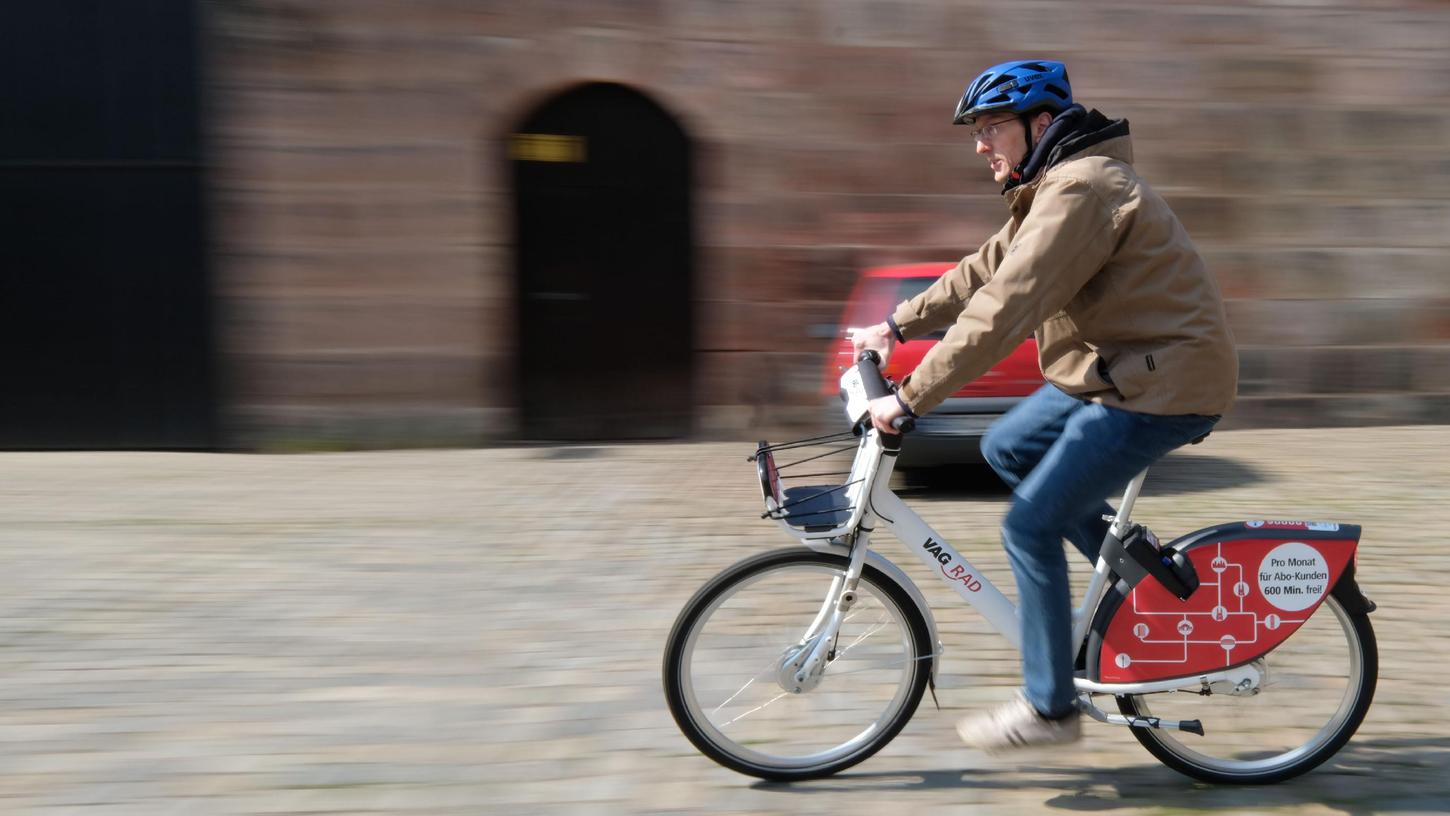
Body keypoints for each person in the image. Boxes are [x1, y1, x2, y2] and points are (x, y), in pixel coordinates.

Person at [851, 59, 1239, 752]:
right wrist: (898, 325)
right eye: (975, 130)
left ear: (1040, 124)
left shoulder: (1083, 191)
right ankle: (1130, 569)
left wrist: (910, 396)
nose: (979, 144)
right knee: (1008, 447)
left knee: (1029, 527)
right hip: (1118, 375)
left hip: (1163, 386)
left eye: (990, 127)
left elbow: (1005, 307)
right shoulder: (1053, 186)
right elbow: (985, 268)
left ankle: (1050, 708)